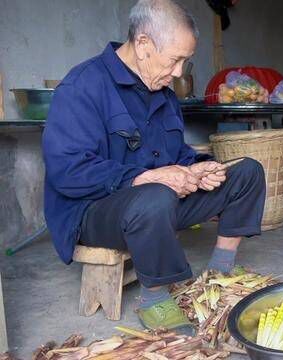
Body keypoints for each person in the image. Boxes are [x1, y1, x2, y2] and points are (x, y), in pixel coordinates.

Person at [42, 0, 265, 334]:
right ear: (144, 44)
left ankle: (221, 272)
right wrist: (146, 177)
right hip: (93, 212)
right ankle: (156, 300)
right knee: (154, 194)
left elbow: (174, 155)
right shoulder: (83, 86)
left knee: (246, 171)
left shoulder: (160, 88)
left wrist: (199, 169)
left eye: (184, 61)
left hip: (155, 204)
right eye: (176, 59)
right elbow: (67, 172)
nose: (178, 72)